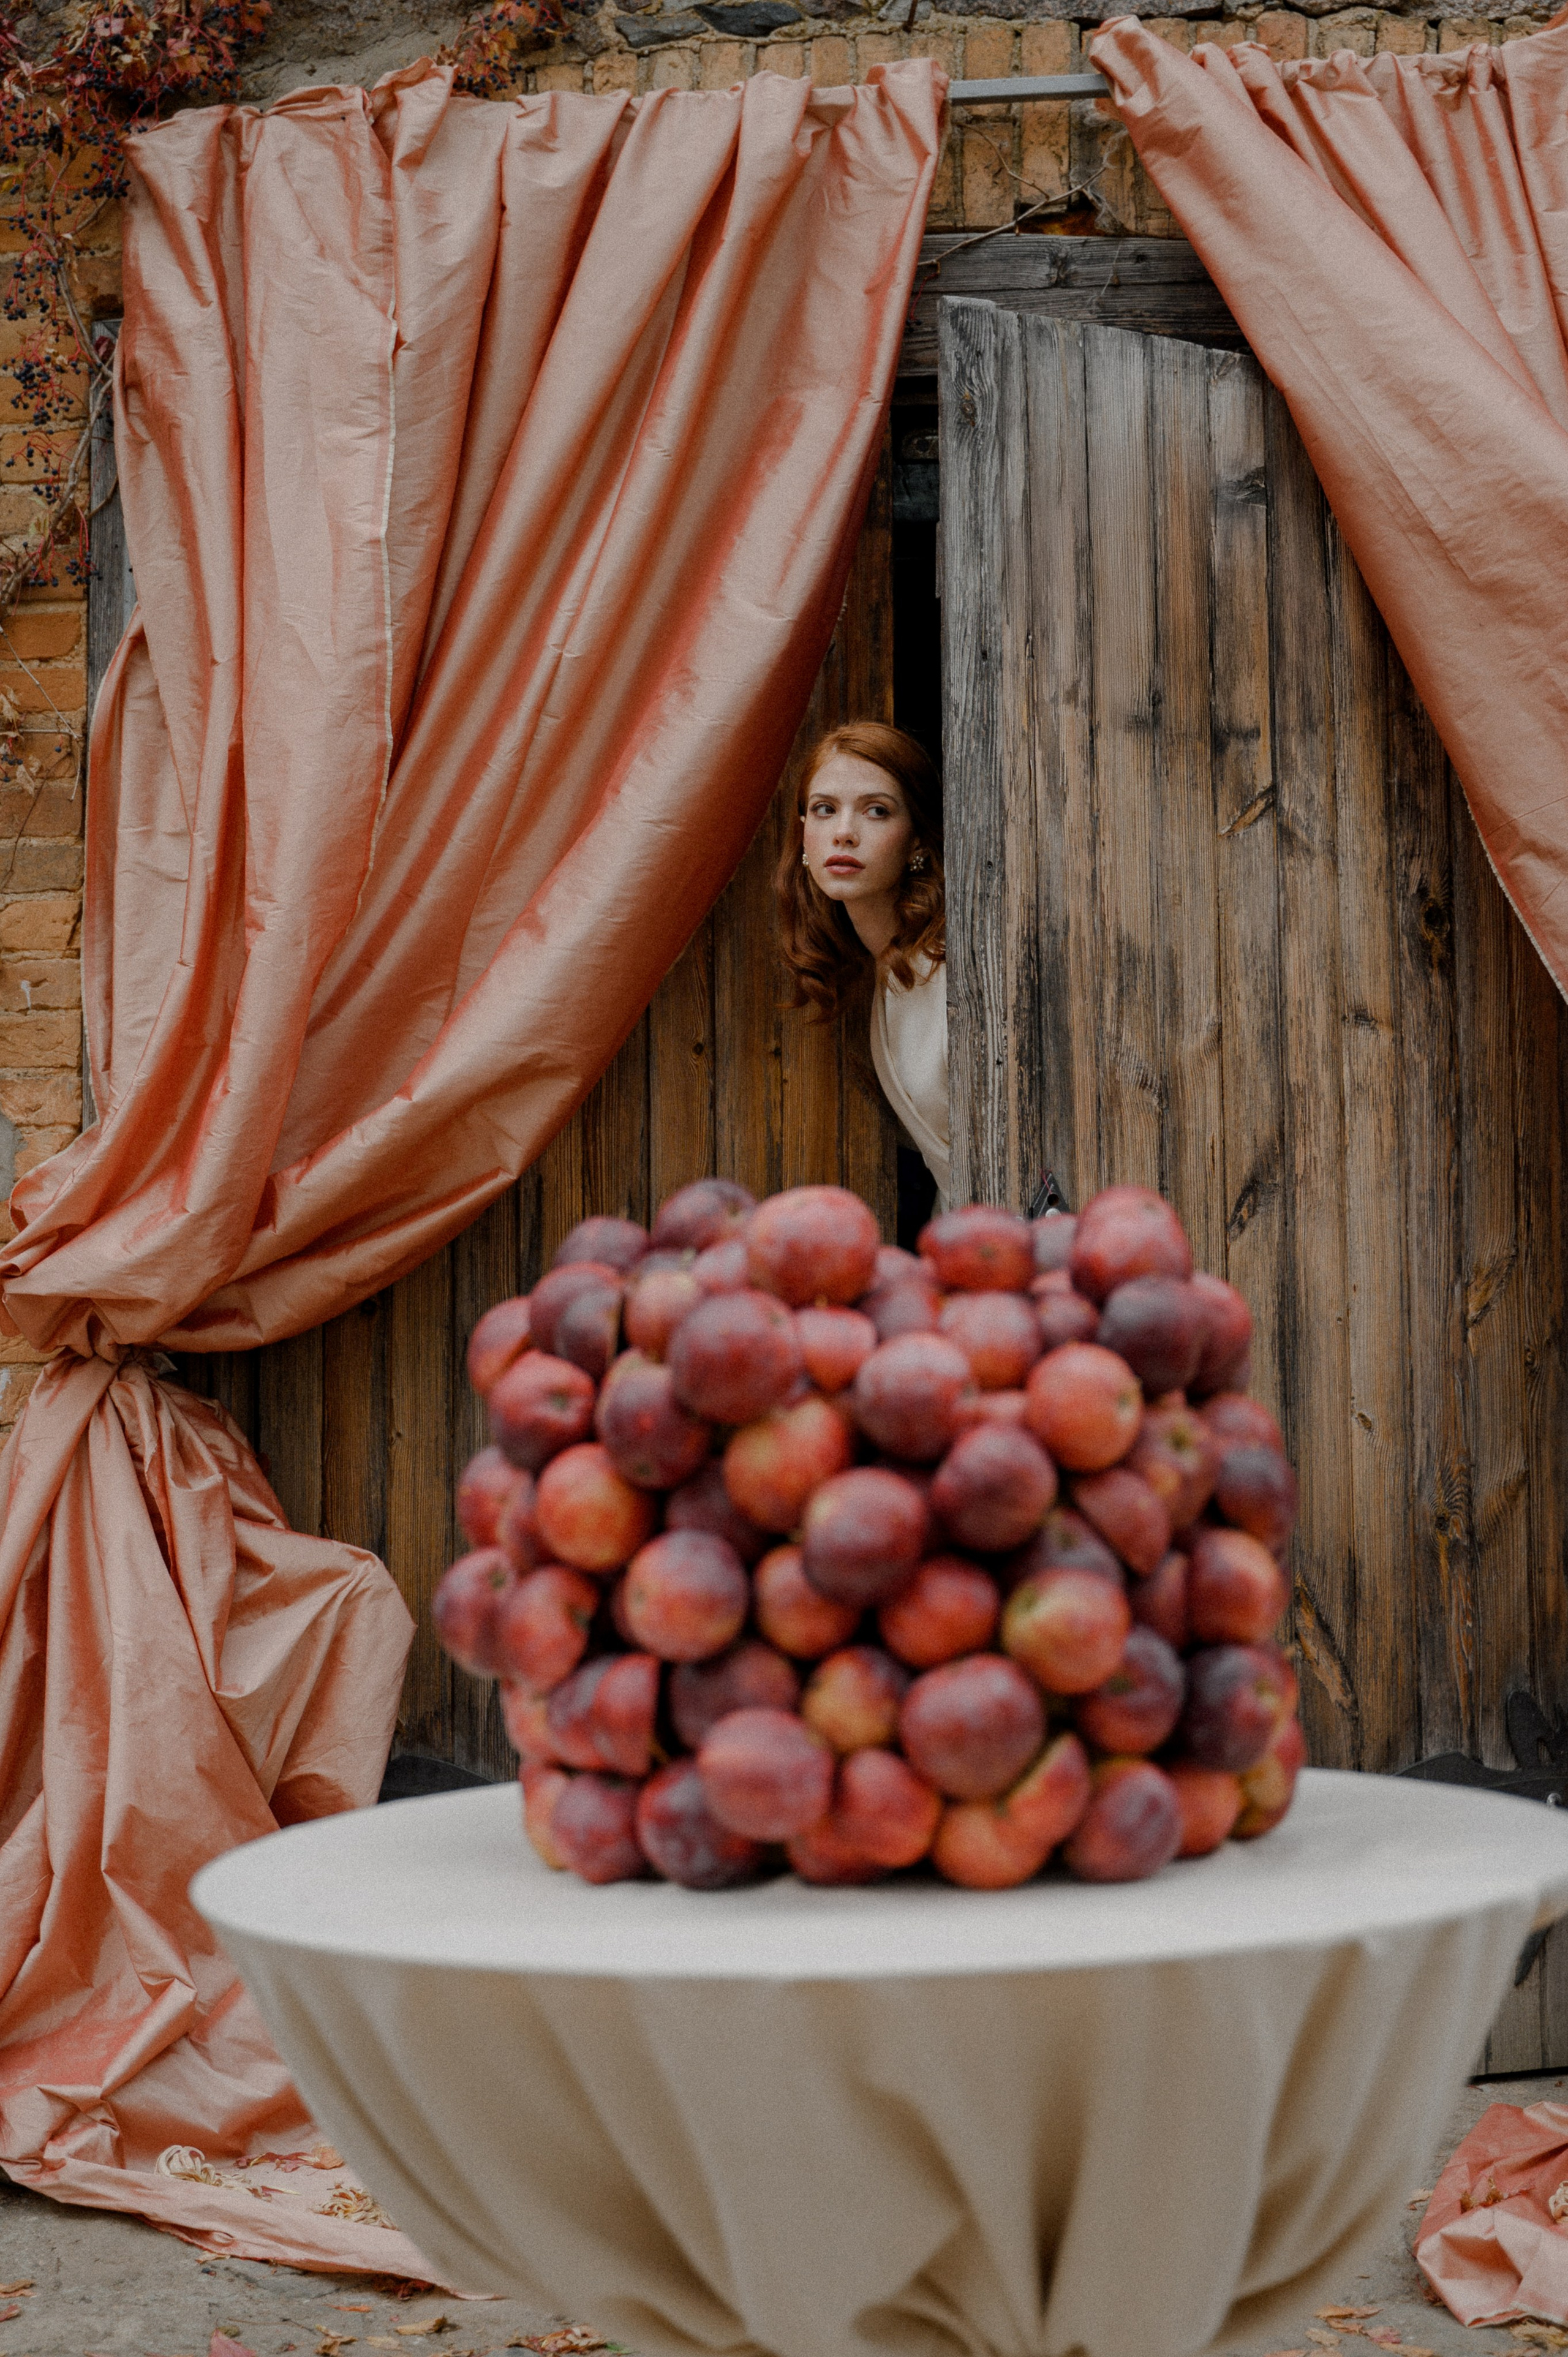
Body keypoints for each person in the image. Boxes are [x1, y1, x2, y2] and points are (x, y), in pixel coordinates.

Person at [774, 720, 949, 1213]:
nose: (844, 833)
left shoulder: (954, 972)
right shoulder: (884, 971)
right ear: (804, 832)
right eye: (824, 810)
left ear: (917, 838)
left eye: (877, 811)